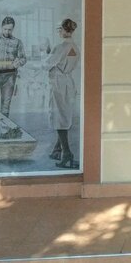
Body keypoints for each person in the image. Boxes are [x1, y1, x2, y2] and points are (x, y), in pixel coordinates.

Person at [46, 18, 80, 169]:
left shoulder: (61, 47)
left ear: (66, 30)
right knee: (64, 115)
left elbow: (47, 64)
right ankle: (57, 150)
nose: (58, 31)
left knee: (60, 118)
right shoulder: (75, 47)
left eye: (60, 29)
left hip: (59, 84)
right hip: (68, 83)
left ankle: (67, 154)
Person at [0, 16, 27, 117]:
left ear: (13, 29)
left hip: (10, 77)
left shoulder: (18, 42)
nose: (7, 32)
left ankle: (4, 125)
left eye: (9, 29)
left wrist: (19, 62)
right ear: (1, 27)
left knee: (6, 106)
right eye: (5, 29)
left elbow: (24, 58)